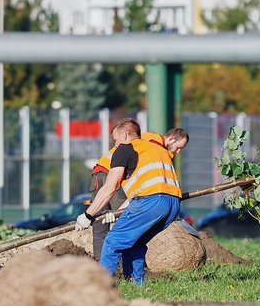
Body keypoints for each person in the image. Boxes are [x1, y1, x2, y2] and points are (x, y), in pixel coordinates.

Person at [75, 118, 182, 285]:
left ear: (124, 135)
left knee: (112, 241)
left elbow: (110, 187)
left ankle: (101, 287)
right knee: (135, 242)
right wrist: (115, 213)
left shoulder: (125, 148)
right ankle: (136, 284)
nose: (115, 145)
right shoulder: (157, 149)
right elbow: (142, 189)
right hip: (172, 204)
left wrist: (88, 215)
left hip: (151, 200)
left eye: (116, 140)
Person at [88, 127, 189, 259]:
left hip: (101, 173)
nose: (178, 152)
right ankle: (118, 266)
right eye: (178, 147)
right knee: (127, 223)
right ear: (171, 139)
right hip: (115, 173)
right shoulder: (153, 144)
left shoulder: (146, 140)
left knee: (102, 224)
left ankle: (101, 262)